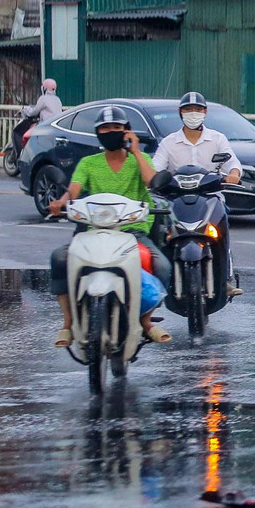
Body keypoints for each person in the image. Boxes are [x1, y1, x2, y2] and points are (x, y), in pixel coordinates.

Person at [47, 106, 171, 347]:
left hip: (132, 231)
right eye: (105, 128)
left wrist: (135, 151)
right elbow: (73, 190)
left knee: (162, 265)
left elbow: (152, 183)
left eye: (117, 127)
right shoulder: (88, 163)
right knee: (59, 258)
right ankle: (68, 323)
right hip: (92, 230)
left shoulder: (141, 160)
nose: (111, 132)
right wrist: (61, 203)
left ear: (127, 132)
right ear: (97, 133)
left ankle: (145, 321)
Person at [151, 91, 244, 298]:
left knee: (221, 225)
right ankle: (162, 277)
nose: (193, 113)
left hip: (211, 197)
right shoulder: (169, 142)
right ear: (180, 113)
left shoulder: (217, 139)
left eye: (198, 110)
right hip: (176, 199)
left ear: (205, 112)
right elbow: (156, 167)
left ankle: (226, 276)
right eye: (188, 110)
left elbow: (232, 162)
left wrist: (234, 174)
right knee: (162, 230)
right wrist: (156, 179)